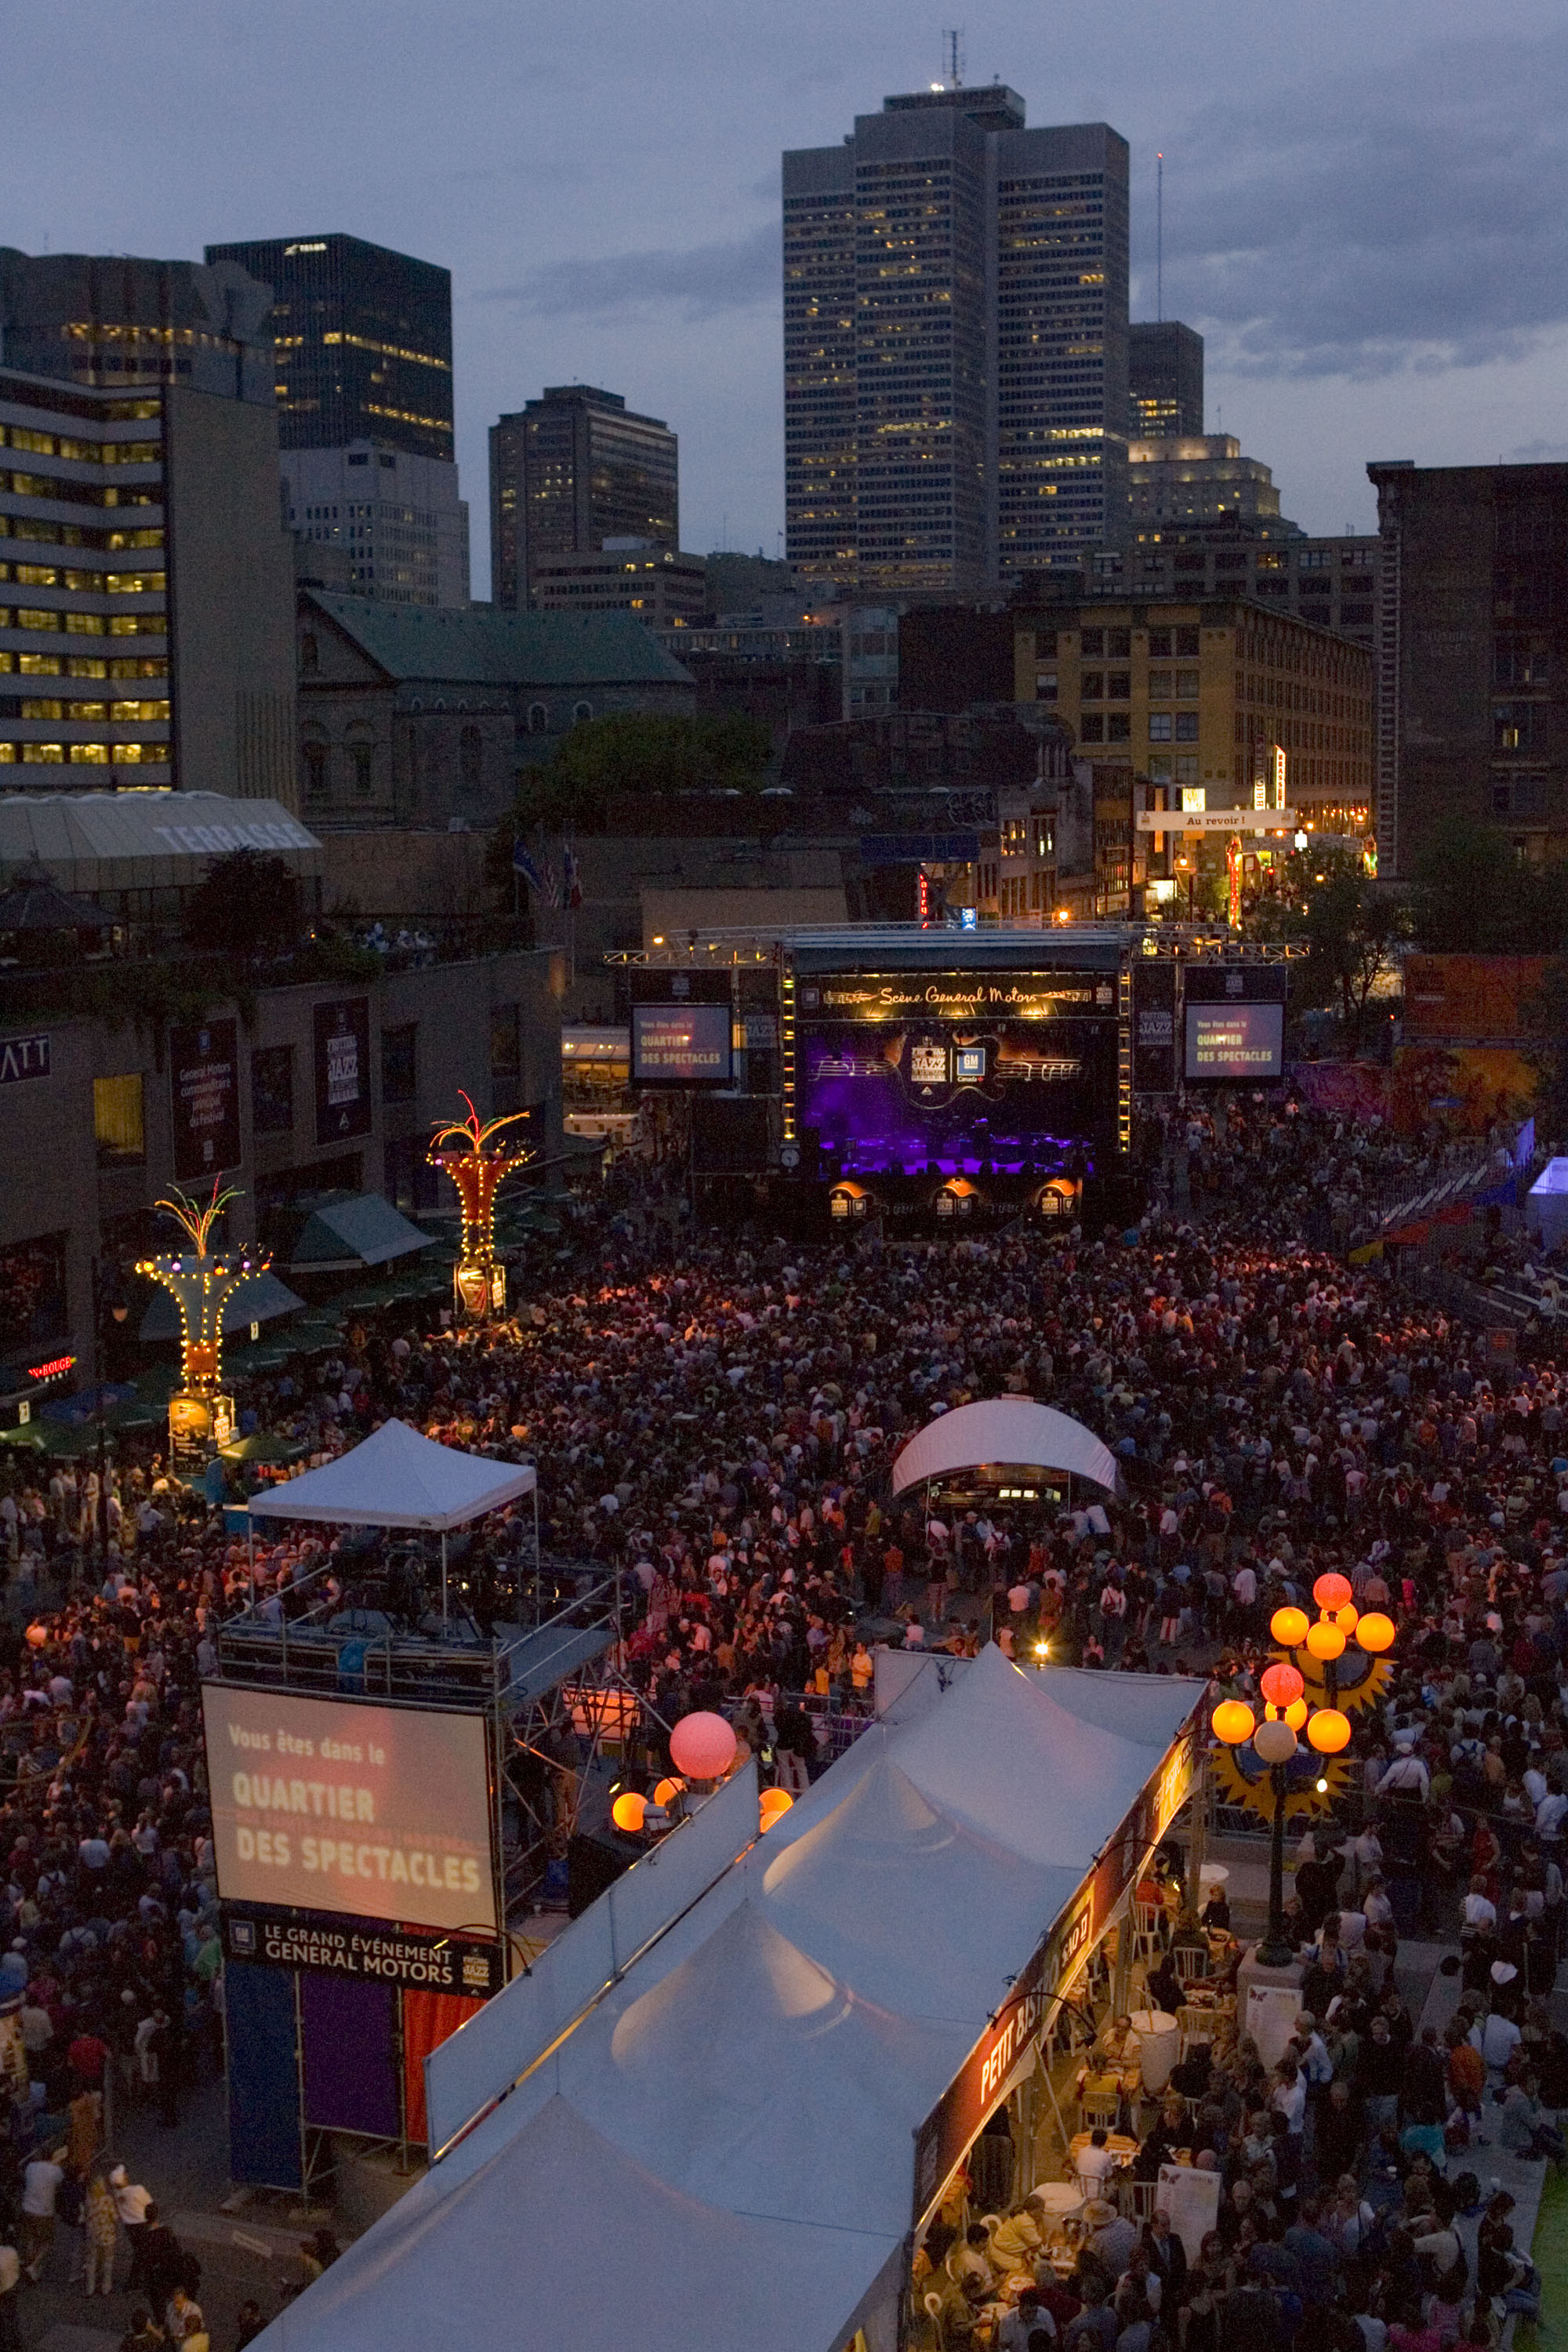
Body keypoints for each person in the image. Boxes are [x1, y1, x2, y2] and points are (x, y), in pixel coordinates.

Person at [19, 2144, 66, 2281]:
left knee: (30, 2239)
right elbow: (61, 2183)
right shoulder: (55, 2171)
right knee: (47, 2242)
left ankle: (28, 2261)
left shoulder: (30, 2167)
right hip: (44, 2212)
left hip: (27, 2208)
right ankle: (33, 2265)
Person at [82, 2162, 120, 2296]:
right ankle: (106, 2288)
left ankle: (90, 2289)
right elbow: (115, 2217)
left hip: (93, 2235)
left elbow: (85, 2215)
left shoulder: (89, 2200)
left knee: (91, 2262)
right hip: (107, 2236)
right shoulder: (107, 2200)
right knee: (107, 2263)